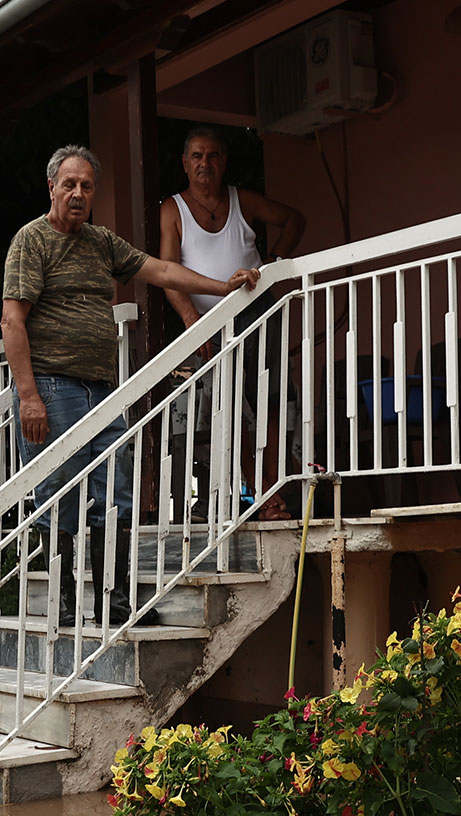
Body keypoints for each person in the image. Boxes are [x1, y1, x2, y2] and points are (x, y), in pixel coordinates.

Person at [4, 144, 261, 626]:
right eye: (69, 184)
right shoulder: (31, 241)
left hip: (103, 391)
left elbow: (160, 269)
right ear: (52, 188)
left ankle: (115, 606)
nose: (78, 193)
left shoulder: (102, 242)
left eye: (86, 185)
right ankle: (61, 607)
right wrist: (28, 395)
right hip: (52, 390)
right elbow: (12, 320)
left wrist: (221, 286)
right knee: (54, 495)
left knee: (117, 494)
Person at [159, 127, 307, 521]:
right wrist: (193, 320)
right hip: (211, 323)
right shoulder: (173, 209)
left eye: (212, 156)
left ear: (223, 162)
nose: (204, 163)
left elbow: (294, 218)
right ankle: (259, 490)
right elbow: (168, 274)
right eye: (196, 156)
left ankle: (273, 486)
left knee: (273, 399)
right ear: (185, 163)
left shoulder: (241, 199)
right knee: (231, 407)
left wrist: (275, 263)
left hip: (260, 310)